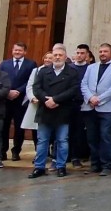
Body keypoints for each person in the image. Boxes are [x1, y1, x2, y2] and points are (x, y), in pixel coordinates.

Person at [29, 44, 83, 179]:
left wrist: (56, 100)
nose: (57, 57)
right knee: (42, 141)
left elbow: (73, 90)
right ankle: (39, 167)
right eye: (55, 55)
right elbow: (36, 88)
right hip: (45, 109)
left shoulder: (72, 72)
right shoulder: (42, 71)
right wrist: (46, 100)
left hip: (63, 110)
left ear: (65, 57)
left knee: (62, 140)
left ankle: (61, 166)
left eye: (60, 55)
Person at [80, 42, 111, 176]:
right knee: (92, 136)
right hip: (90, 106)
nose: (102, 54)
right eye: (100, 52)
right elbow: (84, 84)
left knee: (106, 135)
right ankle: (95, 164)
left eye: (105, 51)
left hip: (108, 107)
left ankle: (107, 165)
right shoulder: (91, 67)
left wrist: (99, 99)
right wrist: (90, 98)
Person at [0, 41, 35, 162]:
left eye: (20, 50)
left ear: (24, 52)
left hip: (21, 100)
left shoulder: (31, 64)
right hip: (6, 99)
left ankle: (16, 151)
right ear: (12, 50)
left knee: (20, 127)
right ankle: (2, 151)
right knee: (4, 126)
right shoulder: (4, 64)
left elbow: (31, 81)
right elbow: (0, 80)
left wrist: (18, 91)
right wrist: (8, 92)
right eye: (15, 50)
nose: (17, 52)